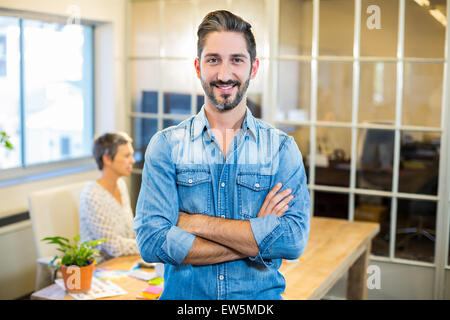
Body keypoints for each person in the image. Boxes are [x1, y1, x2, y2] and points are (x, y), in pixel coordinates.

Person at [133, 10, 310, 300]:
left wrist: (193, 222)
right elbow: (152, 242)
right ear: (197, 66)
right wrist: (256, 237)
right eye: (213, 59)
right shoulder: (165, 146)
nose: (224, 74)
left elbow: (292, 240)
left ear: (253, 68)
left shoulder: (281, 148)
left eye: (236, 60)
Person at [79, 132, 140, 263]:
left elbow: (130, 229)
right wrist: (149, 246)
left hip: (124, 260)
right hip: (100, 267)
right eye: (126, 156)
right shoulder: (92, 196)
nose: (132, 161)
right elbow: (113, 247)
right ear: (107, 159)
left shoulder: (121, 185)